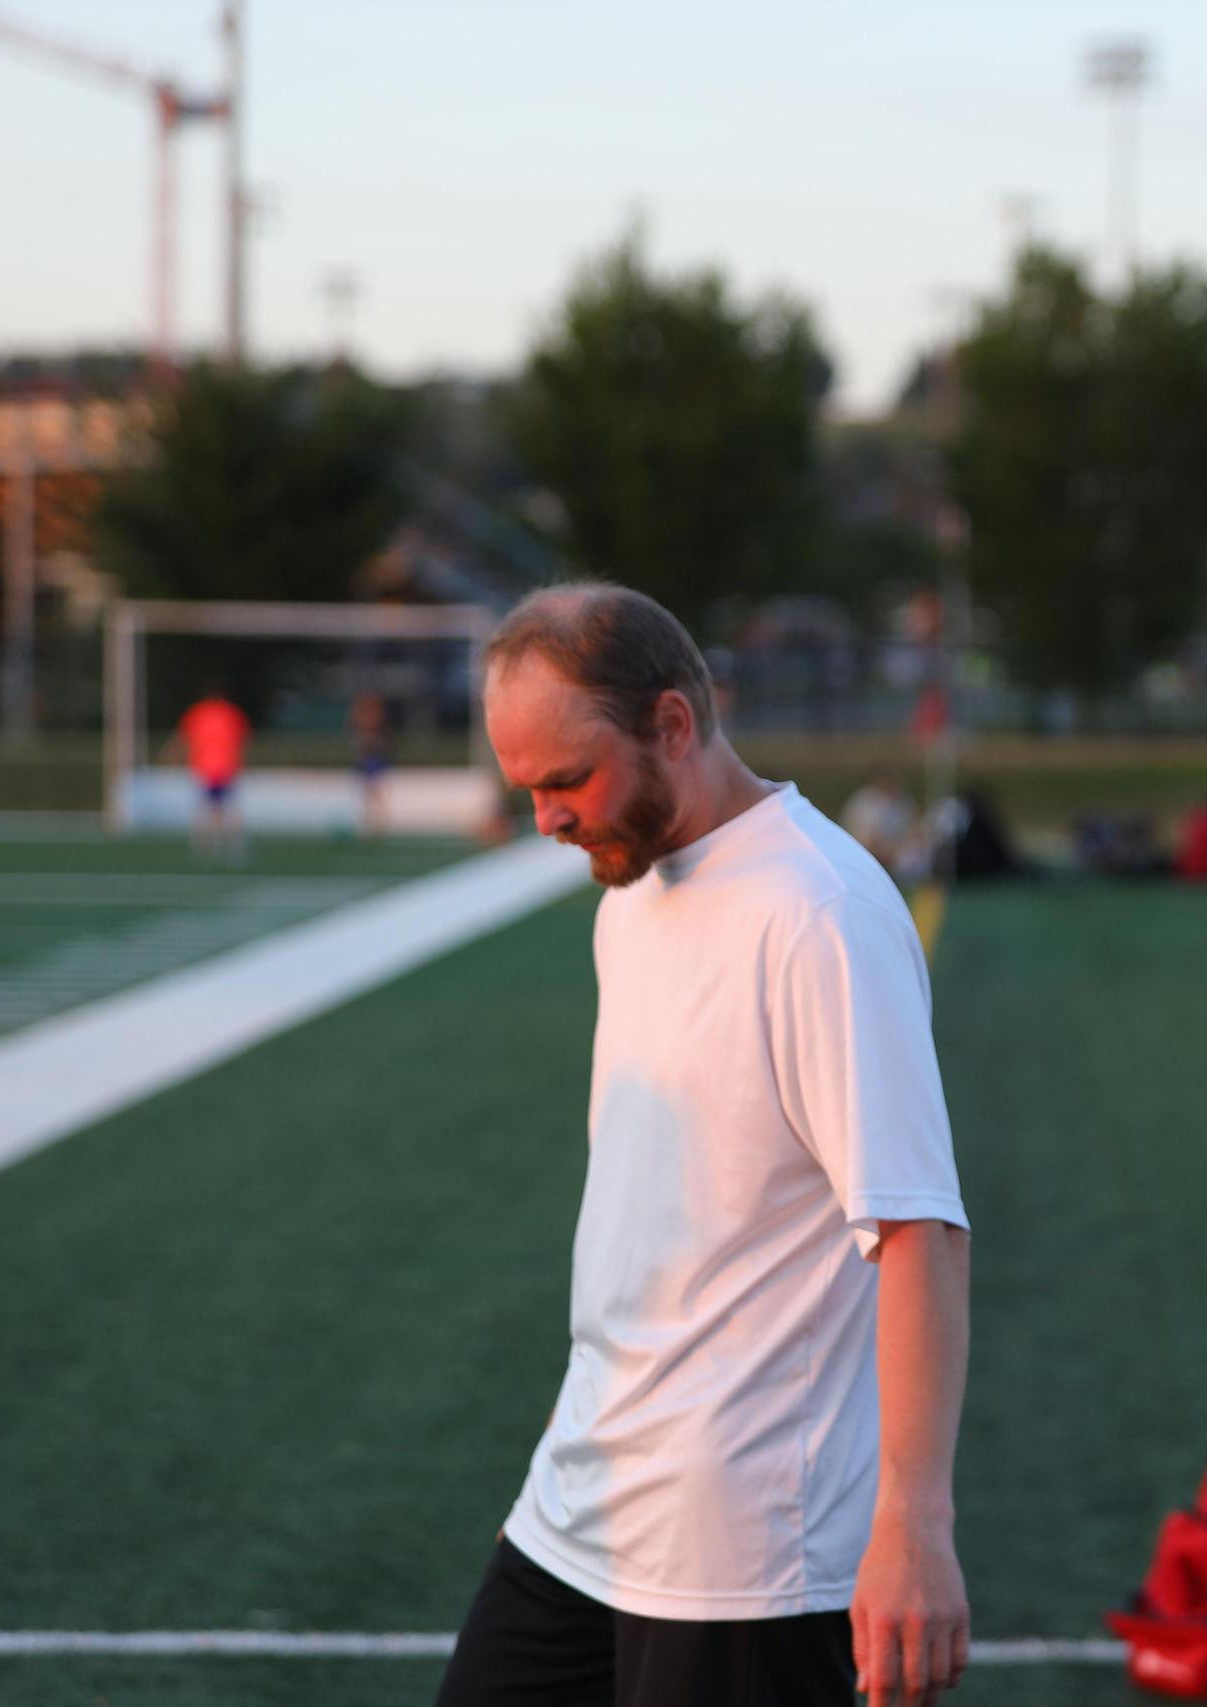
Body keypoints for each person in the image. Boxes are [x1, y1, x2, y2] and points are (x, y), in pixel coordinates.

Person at [439, 584, 972, 1707]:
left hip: (743, 1553)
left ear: (672, 726)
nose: (544, 819)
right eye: (524, 787)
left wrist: (913, 1529)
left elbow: (919, 1230)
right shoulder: (628, 892)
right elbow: (643, 1215)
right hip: (581, 1505)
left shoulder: (818, 913)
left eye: (565, 781)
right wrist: (566, 1433)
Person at [164, 681, 250, 863]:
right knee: (227, 809)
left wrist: (171, 756)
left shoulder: (198, 712)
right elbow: (243, 740)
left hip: (204, 768)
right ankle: (231, 846)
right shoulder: (230, 713)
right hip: (226, 768)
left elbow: (183, 738)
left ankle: (205, 846)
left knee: (206, 809)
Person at [841, 763, 924, 883]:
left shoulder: (903, 802)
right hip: (866, 851)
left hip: (897, 850)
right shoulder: (863, 803)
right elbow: (862, 836)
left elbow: (915, 829)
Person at [350, 689, 393, 838]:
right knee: (367, 787)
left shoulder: (376, 720)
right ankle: (370, 816)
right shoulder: (361, 720)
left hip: (374, 758)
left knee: (373, 786)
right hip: (366, 759)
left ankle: (376, 816)